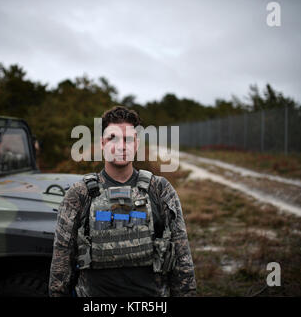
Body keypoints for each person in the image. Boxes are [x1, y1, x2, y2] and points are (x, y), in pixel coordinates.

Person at [49, 106, 196, 297]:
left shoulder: (159, 190)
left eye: (128, 139)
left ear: (136, 144)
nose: (121, 146)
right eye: (113, 138)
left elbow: (182, 257)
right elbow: (61, 262)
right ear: (102, 143)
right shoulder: (80, 194)